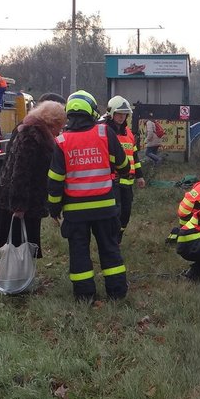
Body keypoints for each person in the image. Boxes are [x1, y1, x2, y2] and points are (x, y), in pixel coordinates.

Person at [47, 90, 131, 302]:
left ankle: (85, 296)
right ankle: (117, 292)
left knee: (79, 252)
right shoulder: (105, 133)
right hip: (106, 208)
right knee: (110, 249)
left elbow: (55, 180)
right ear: (93, 112)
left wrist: (54, 209)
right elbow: (123, 165)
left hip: (75, 213)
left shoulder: (61, 141)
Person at [0, 100, 66, 260]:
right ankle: (14, 281)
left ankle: (17, 279)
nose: (61, 129)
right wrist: (19, 206)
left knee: (17, 250)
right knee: (17, 249)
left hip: (20, 199)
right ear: (52, 122)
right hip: (19, 202)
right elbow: (20, 171)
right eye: (60, 125)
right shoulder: (32, 135)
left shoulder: (29, 128)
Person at [104, 95, 145, 242]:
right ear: (111, 113)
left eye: (124, 114)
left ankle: (118, 237)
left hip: (128, 181)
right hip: (113, 180)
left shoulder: (128, 133)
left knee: (125, 214)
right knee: (116, 211)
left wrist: (140, 176)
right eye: (119, 114)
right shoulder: (105, 132)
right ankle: (112, 239)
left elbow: (134, 156)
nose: (122, 117)